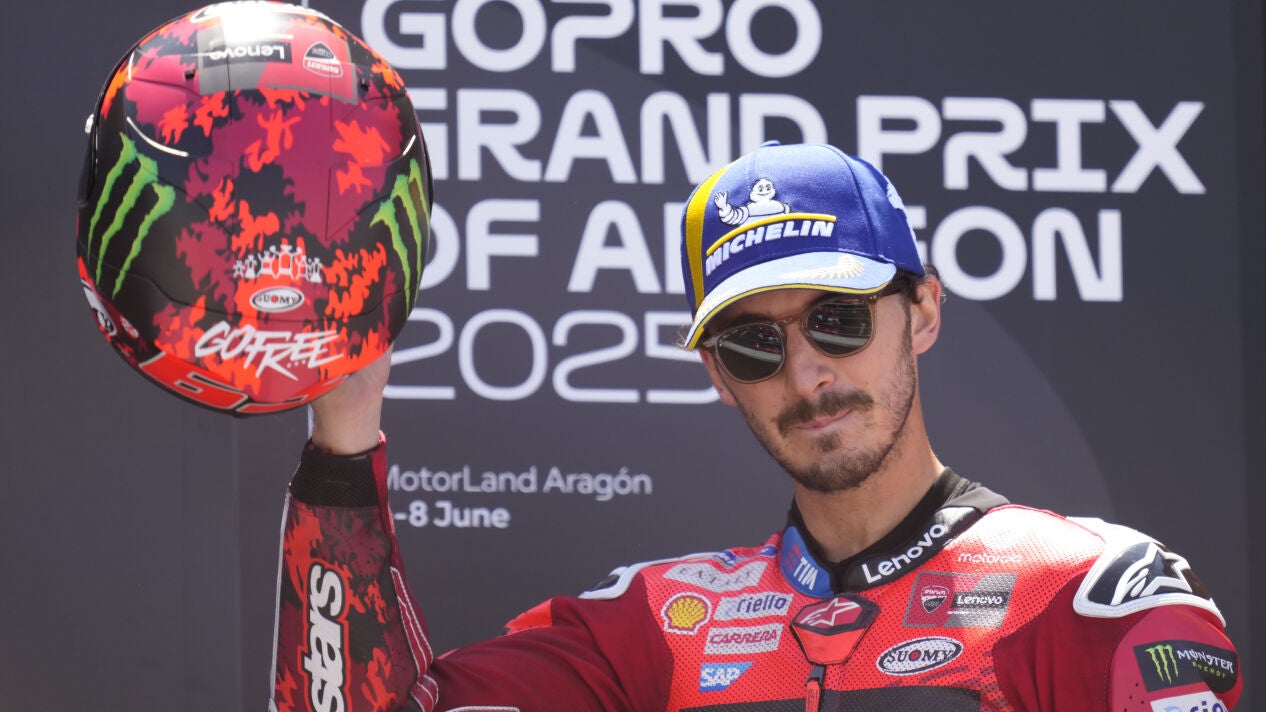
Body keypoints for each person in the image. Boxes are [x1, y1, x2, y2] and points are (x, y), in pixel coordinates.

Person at [269, 142, 1241, 711]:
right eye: (752, 344)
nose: (806, 373)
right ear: (718, 377)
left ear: (924, 313)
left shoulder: (1086, 593)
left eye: (838, 318)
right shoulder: (653, 626)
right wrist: (344, 436)